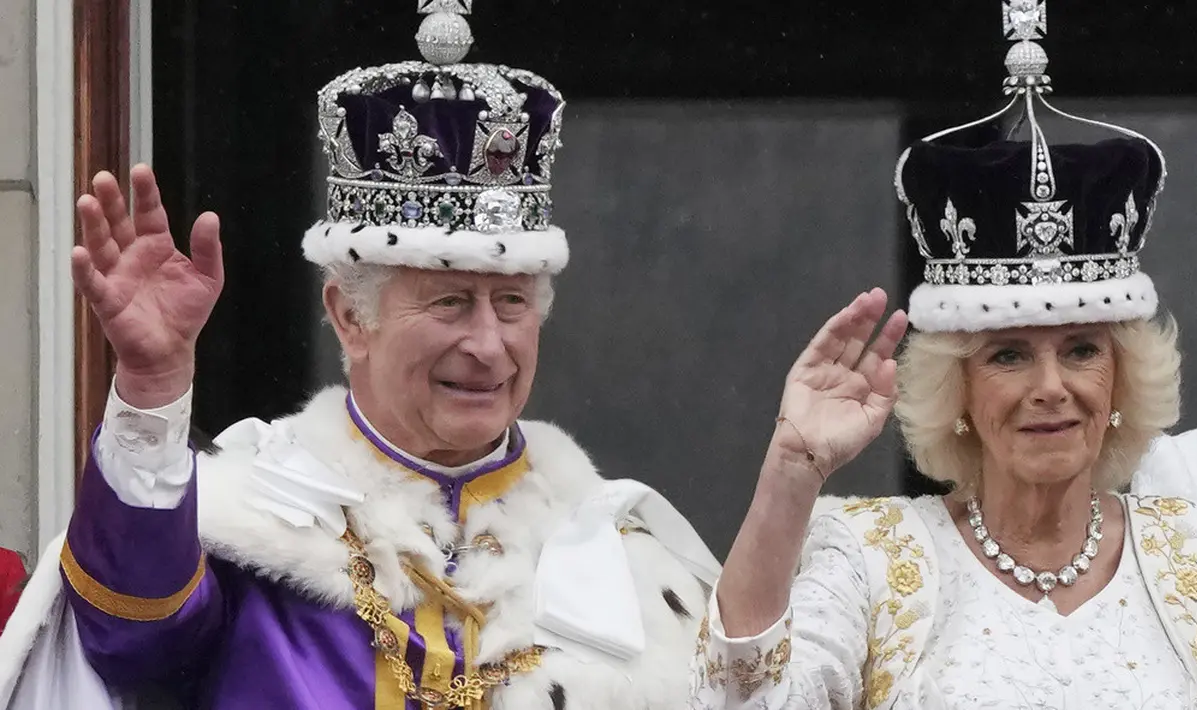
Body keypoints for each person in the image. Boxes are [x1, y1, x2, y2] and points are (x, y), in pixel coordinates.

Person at [0, 3, 720, 708]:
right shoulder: (257, 518)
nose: (487, 343)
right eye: (448, 301)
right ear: (350, 318)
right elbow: (129, 638)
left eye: (511, 303)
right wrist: (152, 385)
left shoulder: (616, 553)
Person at [689, 5, 1197, 709]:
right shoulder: (870, 554)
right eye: (1007, 355)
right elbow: (739, 703)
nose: (1050, 387)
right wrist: (791, 471)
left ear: (1122, 374)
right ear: (957, 389)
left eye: (1080, 350)